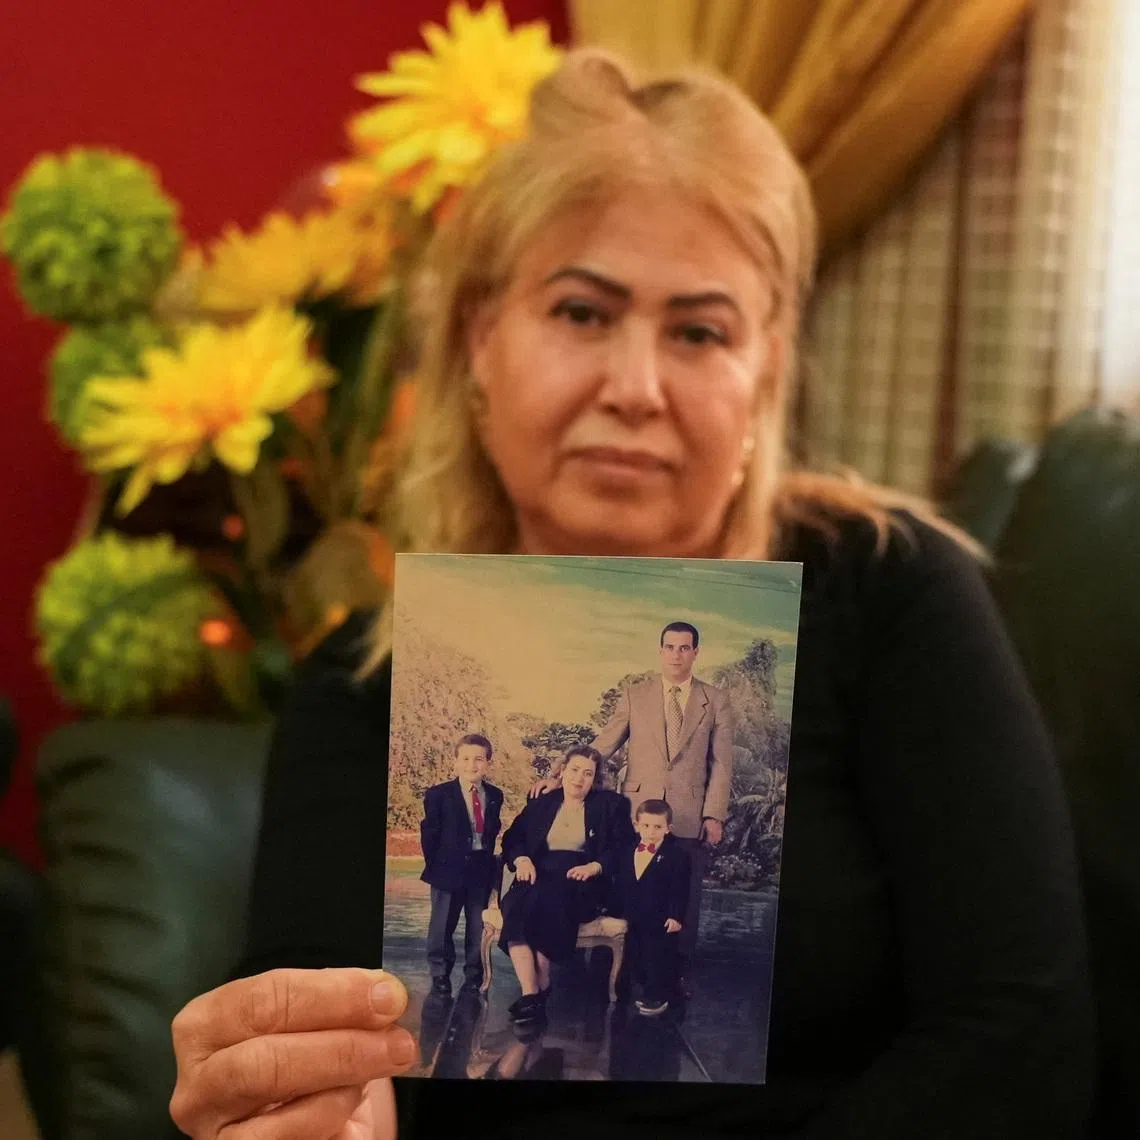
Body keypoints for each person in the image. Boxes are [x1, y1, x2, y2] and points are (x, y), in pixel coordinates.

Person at [169, 47, 1095, 1140]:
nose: (636, 388)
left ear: (764, 370)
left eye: (699, 332)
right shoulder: (361, 684)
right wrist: (290, 1100)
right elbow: (318, 1071)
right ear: (480, 340)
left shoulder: (889, 593)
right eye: (581, 313)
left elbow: (1020, 1040)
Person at [534, 620, 731, 974]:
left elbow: (722, 763)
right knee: (621, 888)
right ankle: (616, 970)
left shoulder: (714, 700)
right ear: (660, 651)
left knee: (682, 897)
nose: (676, 655)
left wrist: (713, 814)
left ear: (695, 653)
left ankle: (676, 972)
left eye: (684, 648)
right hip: (635, 813)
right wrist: (560, 774)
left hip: (688, 815)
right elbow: (604, 744)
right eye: (669, 647)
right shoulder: (635, 695)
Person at [498, 746, 635, 1024]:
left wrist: (595, 867)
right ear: (562, 771)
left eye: (588, 774)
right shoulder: (542, 801)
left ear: (595, 779)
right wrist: (522, 859)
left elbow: (624, 847)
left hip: (583, 877)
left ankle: (539, 988)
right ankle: (532, 992)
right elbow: (513, 838)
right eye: (574, 770)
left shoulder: (611, 805)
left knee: (547, 901)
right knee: (517, 902)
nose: (579, 778)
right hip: (537, 871)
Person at [420, 733, 503, 996]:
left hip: (480, 867)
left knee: (477, 924)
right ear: (455, 762)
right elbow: (430, 834)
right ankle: (440, 973)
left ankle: (474, 972)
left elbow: (491, 831)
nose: (472, 765)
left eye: (479, 759)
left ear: (488, 763)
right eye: (465, 759)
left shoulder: (494, 795)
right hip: (448, 867)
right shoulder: (439, 795)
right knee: (442, 924)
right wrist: (437, 865)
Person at [610, 799, 689, 1017]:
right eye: (645, 826)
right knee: (631, 952)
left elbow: (680, 889)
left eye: (657, 827)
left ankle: (658, 994)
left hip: (659, 917)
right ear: (636, 825)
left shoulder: (677, 856)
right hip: (631, 914)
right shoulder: (627, 851)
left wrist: (675, 915)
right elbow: (621, 884)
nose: (651, 832)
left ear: (668, 828)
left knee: (656, 955)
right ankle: (623, 989)